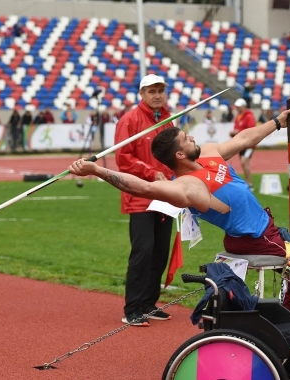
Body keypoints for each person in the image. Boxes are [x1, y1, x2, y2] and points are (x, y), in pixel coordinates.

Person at [69, 108, 290, 321]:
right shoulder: (186, 186)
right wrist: (97, 171)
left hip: (267, 231)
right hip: (255, 237)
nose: (192, 137)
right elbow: (144, 187)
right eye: (187, 138)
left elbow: (245, 139)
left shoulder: (208, 153)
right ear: (180, 153)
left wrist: (277, 123)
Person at [113, 74, 175, 327]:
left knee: (160, 252)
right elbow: (123, 159)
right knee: (143, 251)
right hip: (140, 196)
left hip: (166, 195)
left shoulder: (169, 119)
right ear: (142, 94)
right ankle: (133, 308)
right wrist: (152, 174)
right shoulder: (130, 120)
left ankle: (149, 303)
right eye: (152, 91)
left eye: (161, 90)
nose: (158, 95)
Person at [230, 98, 256, 191]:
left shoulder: (249, 116)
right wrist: (234, 133)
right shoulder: (238, 117)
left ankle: (250, 184)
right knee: (244, 163)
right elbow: (237, 128)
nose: (237, 108)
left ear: (244, 106)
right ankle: (248, 183)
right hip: (241, 144)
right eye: (237, 107)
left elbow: (251, 130)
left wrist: (237, 131)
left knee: (244, 161)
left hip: (249, 144)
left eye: (239, 107)